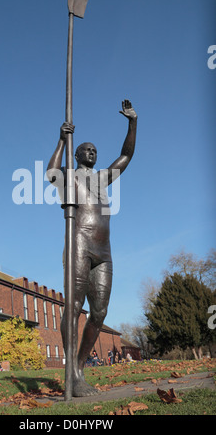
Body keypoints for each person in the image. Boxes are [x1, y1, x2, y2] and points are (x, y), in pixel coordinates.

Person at [47, 100, 137, 397]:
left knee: (99, 313)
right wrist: (61, 140)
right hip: (79, 244)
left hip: (104, 250)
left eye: (95, 150)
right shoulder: (69, 177)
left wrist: (132, 122)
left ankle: (79, 368)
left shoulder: (101, 179)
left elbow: (125, 155)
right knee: (73, 308)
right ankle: (71, 375)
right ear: (77, 153)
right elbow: (50, 173)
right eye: (86, 149)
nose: (92, 153)